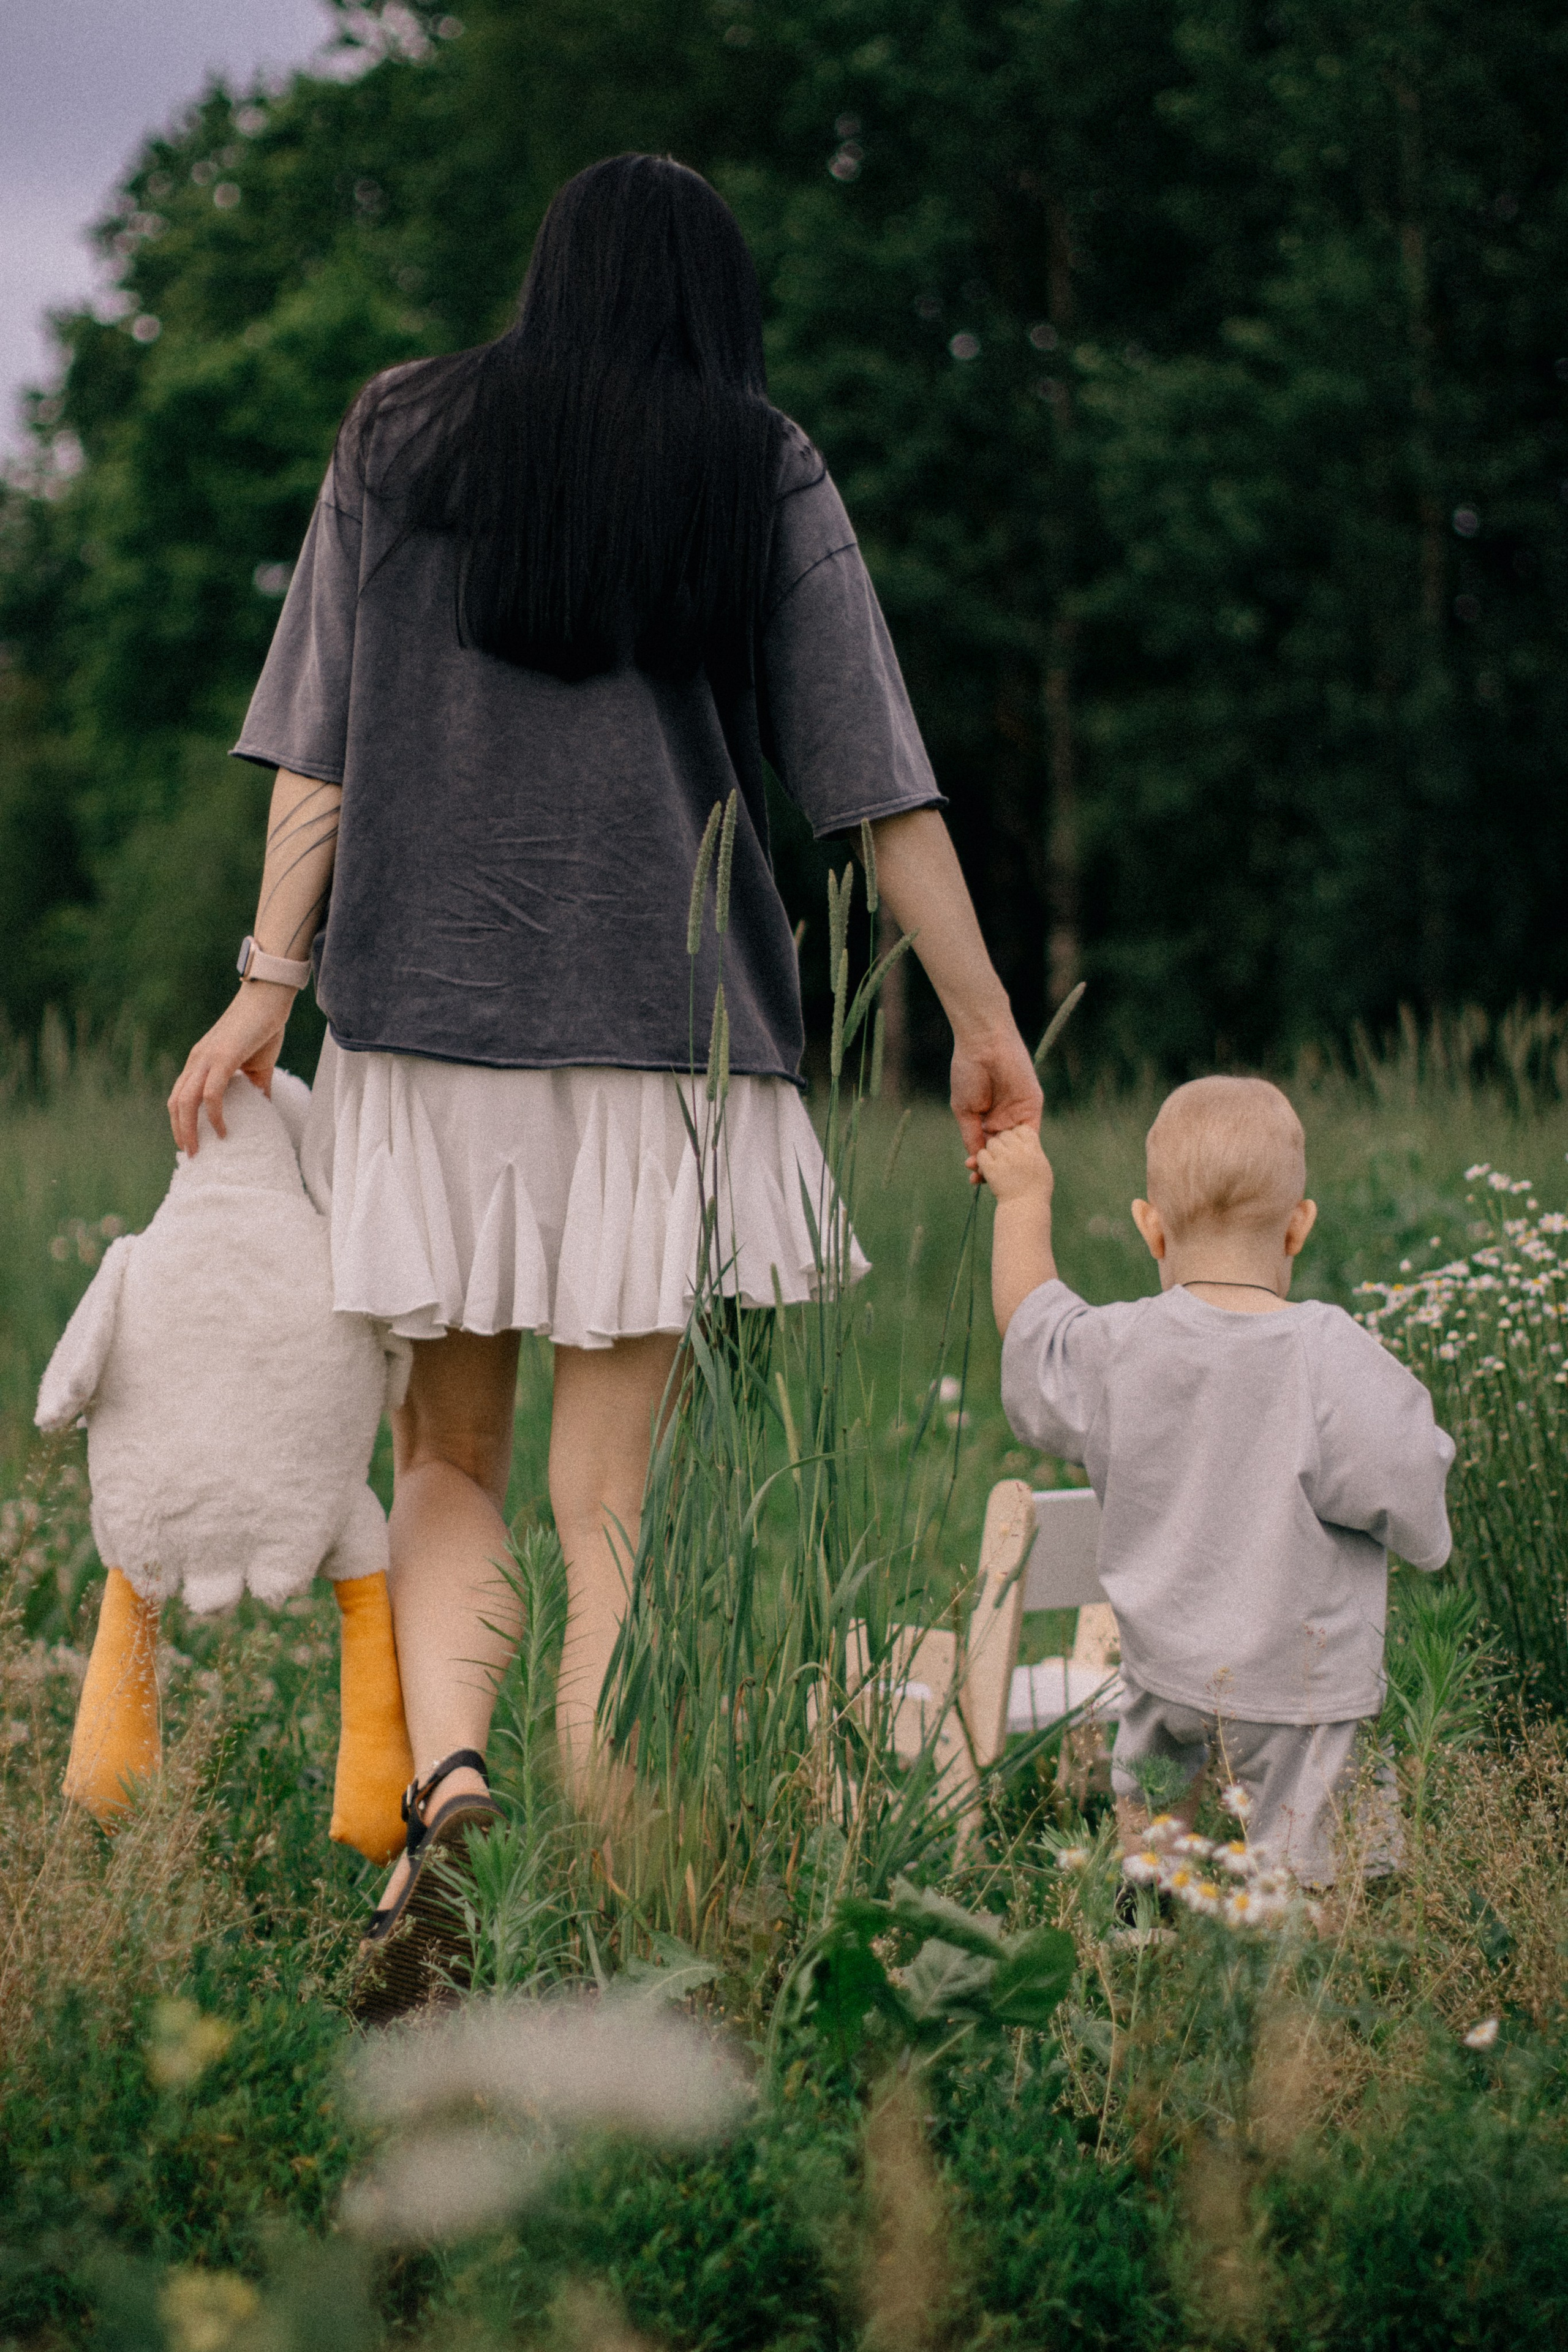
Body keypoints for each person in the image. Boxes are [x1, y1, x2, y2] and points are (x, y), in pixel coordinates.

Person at [168, 153, 1039, 2005]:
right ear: (712, 303)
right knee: (611, 1492)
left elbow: (314, 753)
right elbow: (880, 790)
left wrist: (264, 988)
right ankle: (599, 1786)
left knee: (446, 1450)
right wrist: (981, 1021)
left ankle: (449, 1789)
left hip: (425, 1031)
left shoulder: (398, 436)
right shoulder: (756, 460)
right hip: (673, 1051)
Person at [975, 1075, 1454, 1883]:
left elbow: (1033, 1331)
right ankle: (1302, 1969)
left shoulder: (1122, 1347)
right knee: (1321, 1872)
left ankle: (1144, 1927)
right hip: (1302, 1683)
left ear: (1150, 1229)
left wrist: (1025, 1196)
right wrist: (1423, 1538)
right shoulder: (1328, 1354)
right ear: (1298, 1229)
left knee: (1156, 1816)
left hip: (1167, 1672)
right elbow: (1408, 1475)